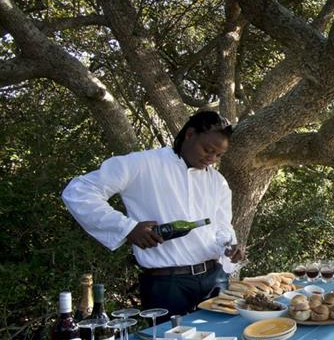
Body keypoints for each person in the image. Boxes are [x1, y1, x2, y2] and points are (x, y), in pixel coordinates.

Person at [62, 110, 245, 316]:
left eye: (219, 155)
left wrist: (229, 245)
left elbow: (221, 226)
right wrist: (127, 228)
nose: (211, 159)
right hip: (167, 284)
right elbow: (78, 191)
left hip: (215, 280)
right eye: (207, 150)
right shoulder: (143, 164)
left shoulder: (217, 182)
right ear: (190, 134)